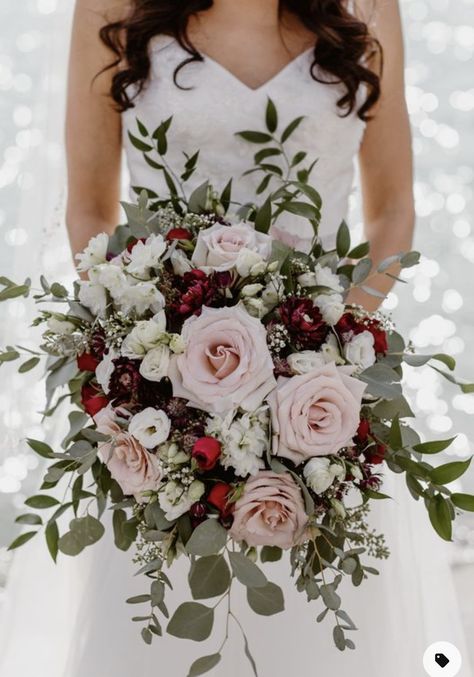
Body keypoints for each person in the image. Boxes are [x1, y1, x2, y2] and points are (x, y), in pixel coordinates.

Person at [0, 1, 470, 676]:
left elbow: (393, 208)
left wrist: (323, 350)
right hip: (162, 412)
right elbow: (91, 208)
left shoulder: (366, 7)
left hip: (323, 408)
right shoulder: (111, 8)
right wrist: (144, 349)